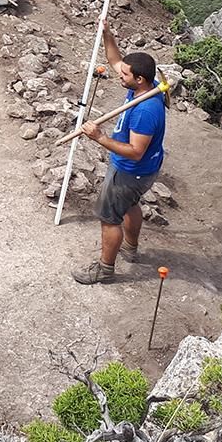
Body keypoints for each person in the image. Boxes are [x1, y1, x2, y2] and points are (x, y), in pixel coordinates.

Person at [71, 23, 168, 285]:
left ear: (139, 79)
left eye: (125, 74)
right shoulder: (145, 85)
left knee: (109, 217)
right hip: (141, 172)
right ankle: (131, 248)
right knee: (130, 205)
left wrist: (99, 137)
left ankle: (104, 269)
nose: (119, 75)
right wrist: (108, 36)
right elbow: (114, 59)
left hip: (130, 170)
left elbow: (136, 152)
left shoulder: (146, 110)